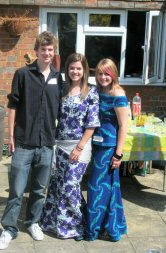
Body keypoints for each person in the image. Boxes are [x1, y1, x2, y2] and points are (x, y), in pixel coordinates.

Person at [0, 31, 63, 250]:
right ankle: (9, 228)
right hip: (24, 142)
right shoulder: (23, 74)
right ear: (36, 51)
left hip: (46, 145)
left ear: (54, 52)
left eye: (50, 49)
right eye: (43, 49)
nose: (46, 53)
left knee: (39, 189)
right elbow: (13, 106)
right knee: (16, 190)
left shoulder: (57, 78)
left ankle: (33, 222)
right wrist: (11, 136)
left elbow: (61, 109)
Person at [41, 53, 100, 240]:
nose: (75, 71)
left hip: (79, 146)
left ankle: (77, 227)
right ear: (67, 70)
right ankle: (53, 223)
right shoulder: (63, 90)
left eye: (79, 68)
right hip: (60, 145)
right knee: (58, 185)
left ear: (84, 71)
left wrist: (80, 148)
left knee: (70, 186)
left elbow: (92, 124)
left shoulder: (91, 92)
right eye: (72, 68)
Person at [86, 58, 128, 242]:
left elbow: (124, 126)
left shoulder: (118, 94)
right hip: (96, 146)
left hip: (109, 149)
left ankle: (99, 228)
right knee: (101, 188)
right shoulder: (98, 91)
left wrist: (118, 154)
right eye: (100, 73)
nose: (103, 77)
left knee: (100, 189)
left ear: (113, 74)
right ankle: (104, 226)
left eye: (107, 73)